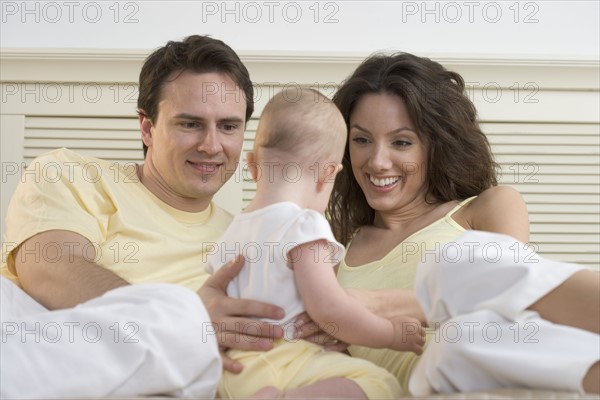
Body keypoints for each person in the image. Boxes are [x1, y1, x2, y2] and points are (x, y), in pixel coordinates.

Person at [0, 35, 294, 398]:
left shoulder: (249, 239)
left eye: (229, 127)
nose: (212, 145)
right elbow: (50, 271)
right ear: (146, 127)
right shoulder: (69, 174)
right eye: (190, 124)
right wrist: (183, 323)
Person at [326, 52, 600, 395]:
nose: (378, 162)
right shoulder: (332, 248)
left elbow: (509, 307)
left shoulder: (488, 207)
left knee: (465, 285)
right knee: (453, 337)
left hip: (490, 369)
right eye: (362, 139)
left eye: (401, 142)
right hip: (422, 385)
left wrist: (375, 306)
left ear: (435, 145)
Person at [205, 88, 425, 399]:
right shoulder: (304, 226)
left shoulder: (232, 232)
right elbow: (330, 309)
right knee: (379, 384)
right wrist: (390, 334)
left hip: (235, 372)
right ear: (326, 176)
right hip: (288, 360)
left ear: (253, 166)